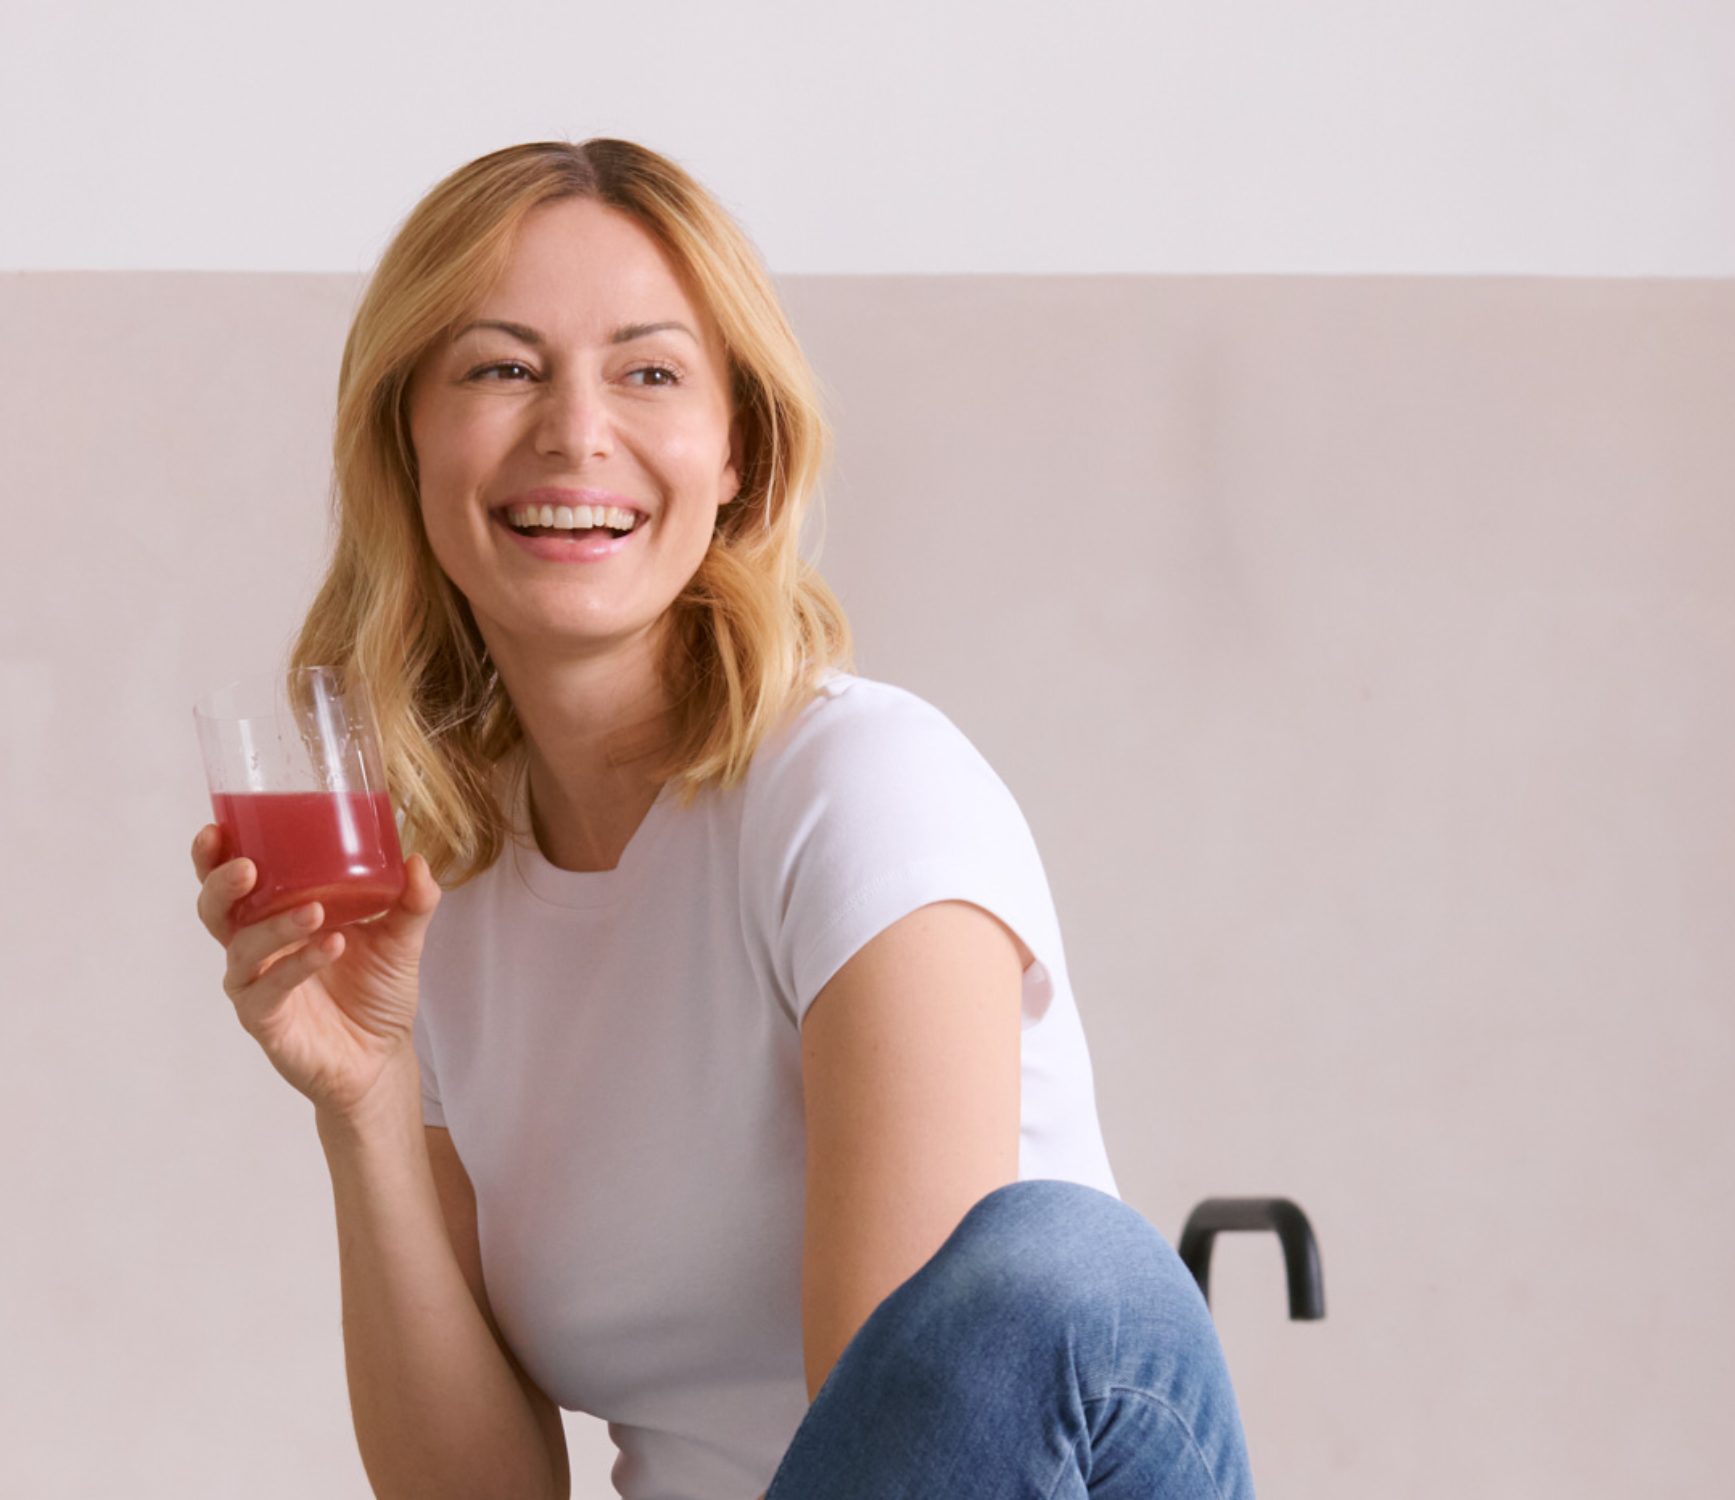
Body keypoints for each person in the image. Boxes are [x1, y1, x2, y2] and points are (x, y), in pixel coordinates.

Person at [185, 139, 1251, 1500]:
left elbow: (899, 1440)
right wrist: (367, 1098)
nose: (576, 432)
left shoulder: (858, 792)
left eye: (650, 372)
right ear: (407, 438)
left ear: (740, 451)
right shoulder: (440, 896)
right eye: (502, 368)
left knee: (1054, 1267)